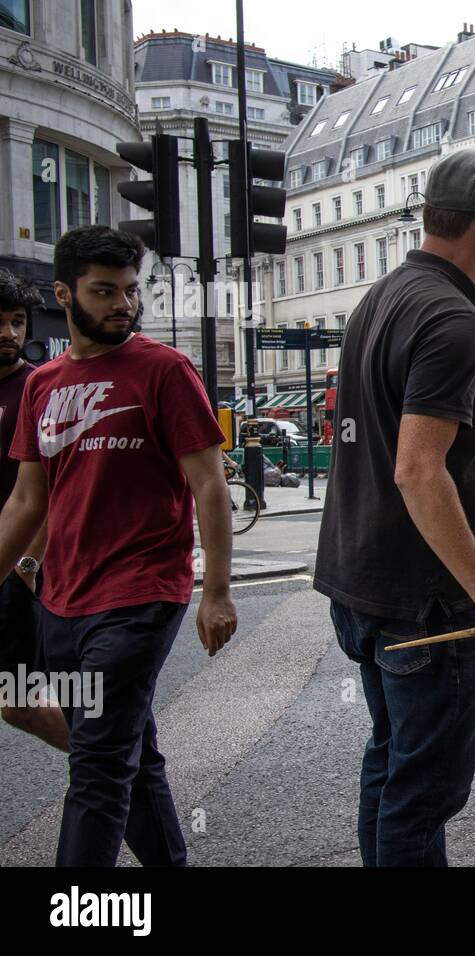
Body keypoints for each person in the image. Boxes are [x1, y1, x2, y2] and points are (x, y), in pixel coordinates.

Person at [315, 147, 475, 867]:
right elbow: (418, 470)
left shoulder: (378, 300)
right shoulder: (451, 318)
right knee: (421, 795)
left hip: (361, 584)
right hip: (427, 604)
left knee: (391, 769)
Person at [0, 226, 236, 866]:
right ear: (64, 294)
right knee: (132, 758)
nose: (122, 306)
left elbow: (210, 486)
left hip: (139, 597)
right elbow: (27, 501)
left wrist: (215, 590)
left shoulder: (166, 371)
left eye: (130, 292)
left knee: (98, 768)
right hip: (61, 601)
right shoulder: (42, 386)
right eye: (103, 292)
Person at [0, 270, 65, 750]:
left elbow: (55, 487)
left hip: (16, 569)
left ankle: (117, 775)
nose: (9, 333)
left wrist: (28, 564)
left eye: (17, 321)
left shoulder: (39, 388)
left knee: (19, 700)